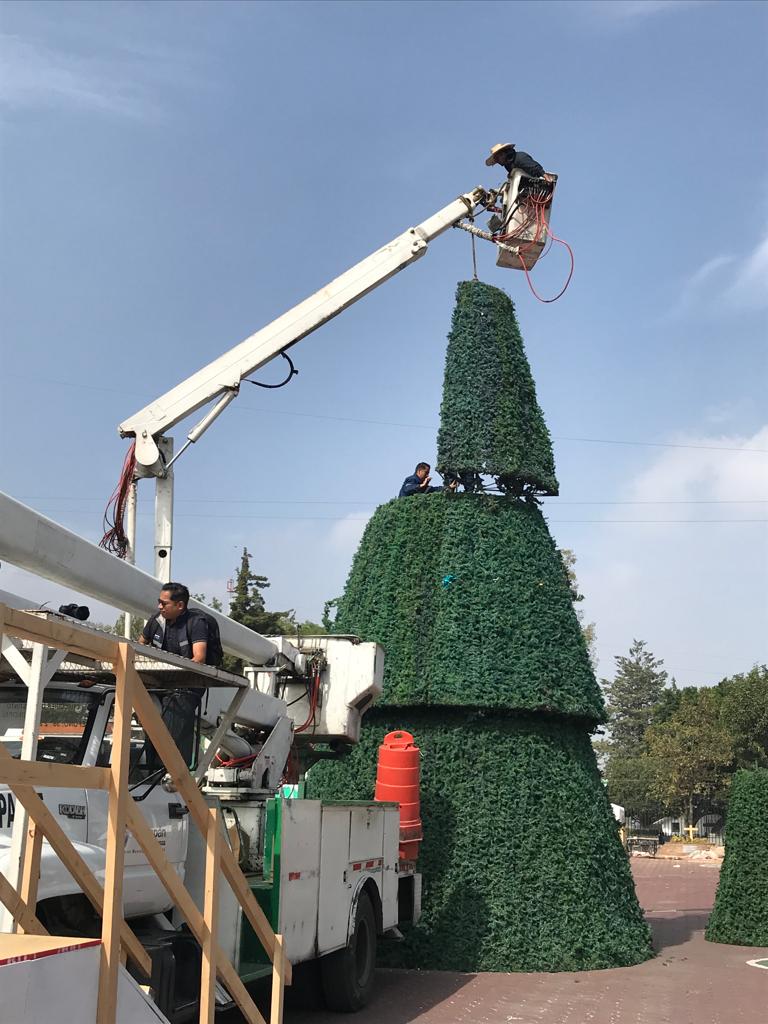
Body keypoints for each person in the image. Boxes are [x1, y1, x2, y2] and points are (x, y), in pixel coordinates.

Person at [139, 582, 209, 765]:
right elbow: (139, 647)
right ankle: (151, 768)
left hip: (187, 685)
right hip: (160, 684)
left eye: (164, 603)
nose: (159, 606)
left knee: (170, 729)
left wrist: (175, 674)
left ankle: (170, 773)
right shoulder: (156, 621)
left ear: (180, 605)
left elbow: (199, 657)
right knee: (151, 725)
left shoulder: (196, 623)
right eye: (158, 602)